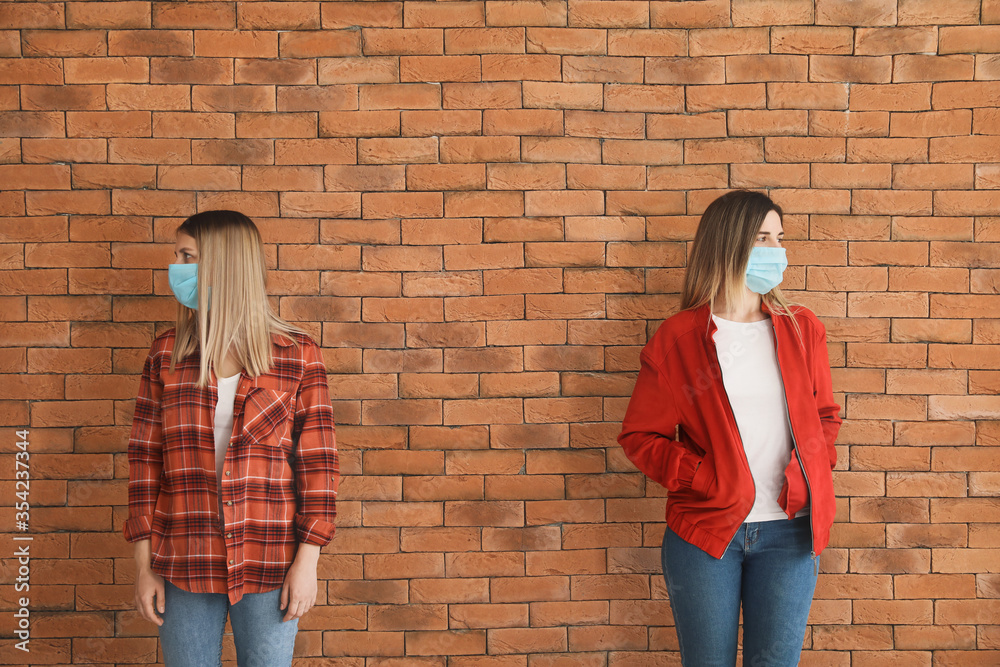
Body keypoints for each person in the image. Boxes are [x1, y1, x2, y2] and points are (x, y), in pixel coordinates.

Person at [618, 190, 841, 666]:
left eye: (780, 238)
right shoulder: (679, 339)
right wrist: (703, 478)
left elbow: (825, 417)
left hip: (789, 533)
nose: (776, 250)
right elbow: (641, 437)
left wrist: (809, 471)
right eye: (763, 237)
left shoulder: (803, 329)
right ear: (729, 243)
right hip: (706, 532)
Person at [124, 210, 339, 667]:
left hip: (270, 561)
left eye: (187, 256)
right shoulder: (167, 354)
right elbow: (145, 463)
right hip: (184, 558)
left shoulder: (296, 355)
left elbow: (319, 467)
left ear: (223, 265)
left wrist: (307, 564)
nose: (175, 267)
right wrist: (143, 568)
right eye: (177, 254)